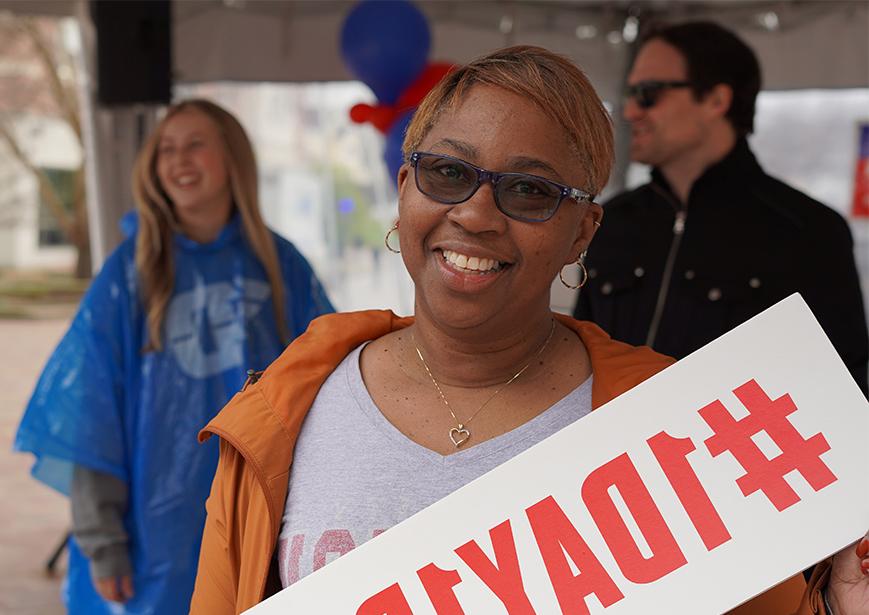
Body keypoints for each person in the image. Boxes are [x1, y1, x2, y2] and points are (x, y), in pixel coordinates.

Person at [186, 47, 867, 615]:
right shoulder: (285, 409)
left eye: (529, 190)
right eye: (447, 172)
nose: (476, 214)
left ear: (582, 232)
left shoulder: (679, 428)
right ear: (403, 188)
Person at [14, 99, 334, 614]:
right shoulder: (129, 273)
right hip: (153, 530)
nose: (178, 159)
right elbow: (91, 412)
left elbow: (326, 387)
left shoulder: (280, 267)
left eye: (194, 145)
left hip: (257, 521)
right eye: (165, 148)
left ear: (232, 157)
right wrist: (103, 542)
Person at [573, 21, 869, 397]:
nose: (630, 110)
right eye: (630, 93)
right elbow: (576, 354)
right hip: (603, 450)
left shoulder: (806, 230)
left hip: (729, 450)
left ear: (716, 100)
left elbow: (840, 385)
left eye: (648, 93)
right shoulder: (613, 217)